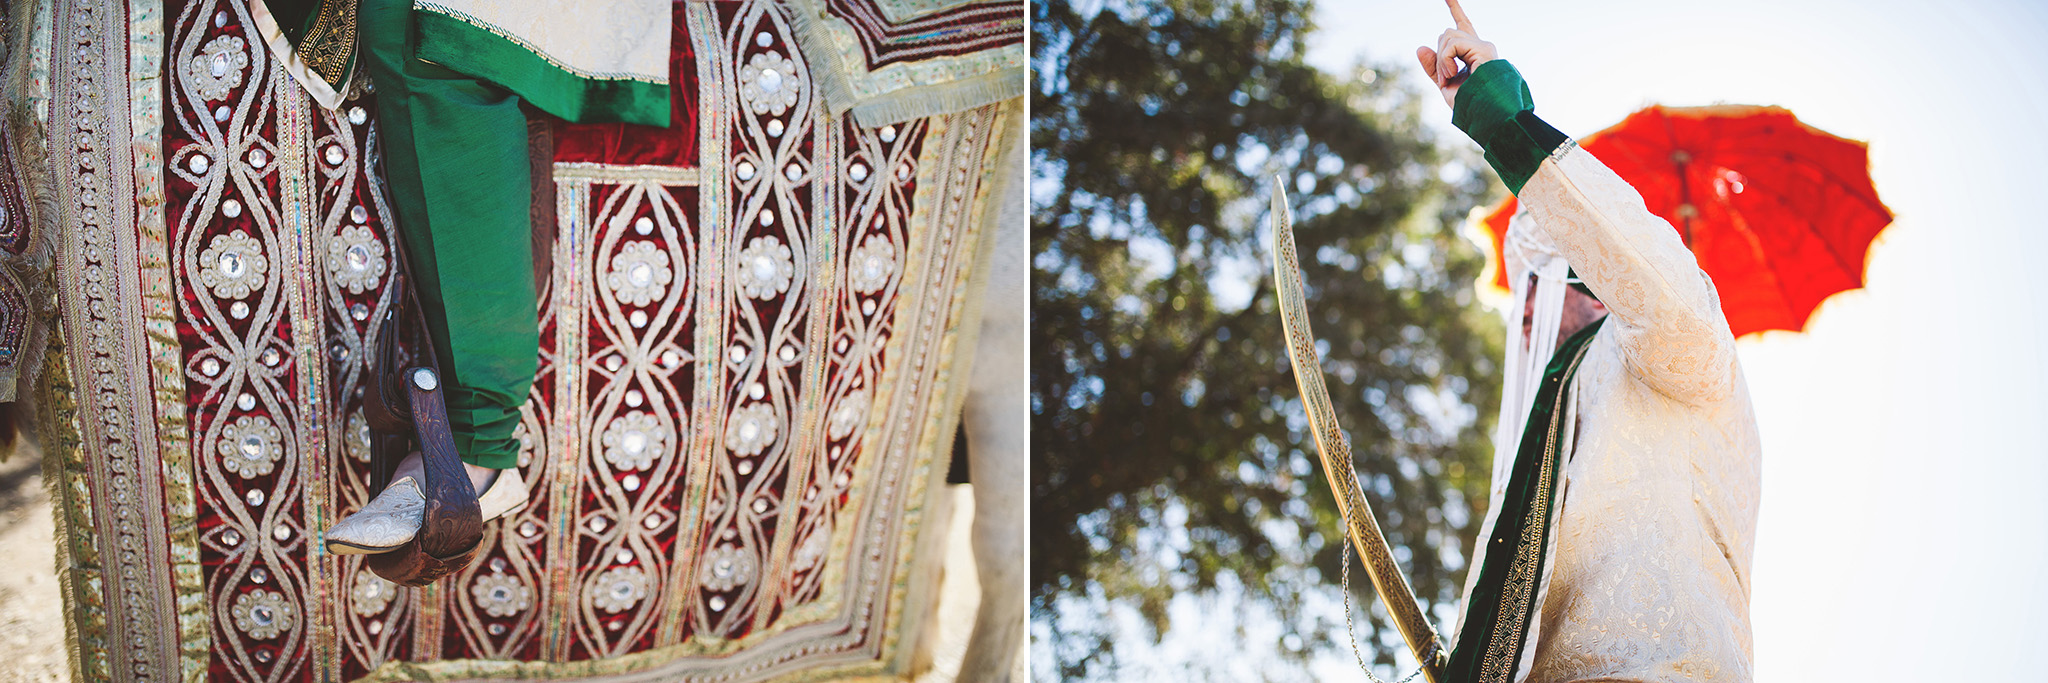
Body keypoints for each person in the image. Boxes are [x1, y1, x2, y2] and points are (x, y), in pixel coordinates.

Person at [1415, 4, 1762, 682]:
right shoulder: (1546, 424)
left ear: (1594, 279)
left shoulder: (1683, 351)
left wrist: (1505, 119)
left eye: (1543, 284)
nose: (1527, 315)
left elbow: (1634, 263)